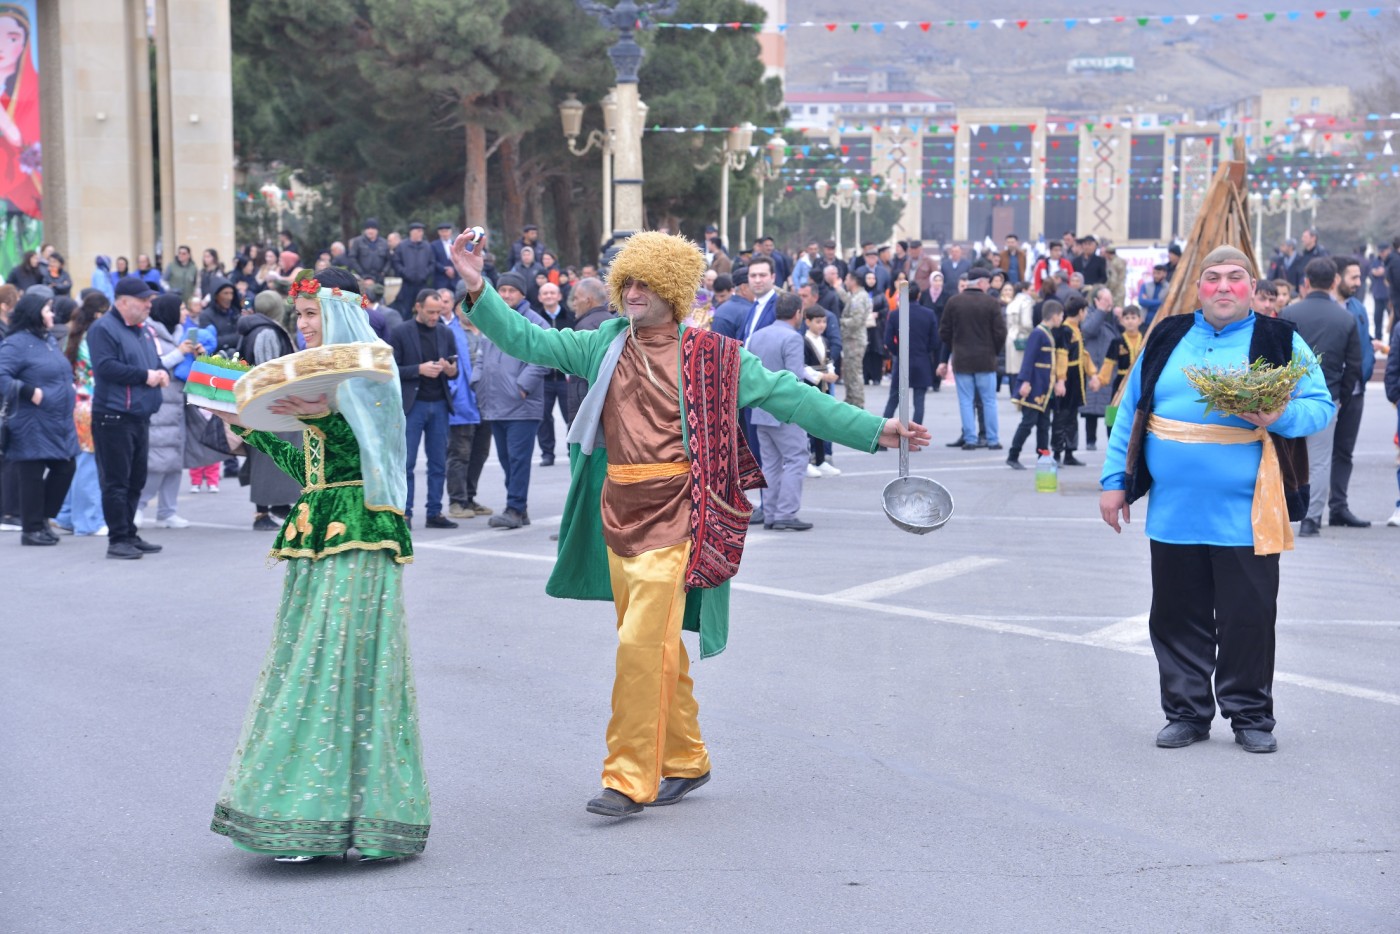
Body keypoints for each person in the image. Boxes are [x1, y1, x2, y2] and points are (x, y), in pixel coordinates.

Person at [448, 227, 929, 817]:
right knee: (658, 646)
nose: (633, 292)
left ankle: (627, 777)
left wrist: (873, 430)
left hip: (678, 516)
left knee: (638, 646)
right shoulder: (602, 344)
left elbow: (791, 396)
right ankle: (686, 758)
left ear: (673, 290)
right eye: (628, 281)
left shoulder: (717, 358)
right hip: (615, 514)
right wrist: (477, 285)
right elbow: (526, 339)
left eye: (647, 283)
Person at [209, 265, 429, 863]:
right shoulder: (326, 380)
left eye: (312, 315)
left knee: (336, 664)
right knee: (313, 662)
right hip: (318, 530)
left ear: (340, 312)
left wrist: (316, 401)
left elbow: (370, 451)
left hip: (358, 530)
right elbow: (313, 469)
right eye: (299, 316)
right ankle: (313, 808)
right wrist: (248, 428)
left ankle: (334, 816)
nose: (303, 326)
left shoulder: (367, 372)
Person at [1099, 245, 1334, 754]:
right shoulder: (1167, 335)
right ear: (1198, 288)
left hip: (1248, 512)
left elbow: (1320, 406)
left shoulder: (1280, 339)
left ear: (1252, 287)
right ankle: (1185, 713)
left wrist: (1279, 417)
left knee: (1248, 618)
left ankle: (1250, 716)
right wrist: (1114, 481)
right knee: (1175, 615)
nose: (1223, 287)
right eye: (1212, 278)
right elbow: (1130, 413)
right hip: (1174, 512)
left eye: (1234, 278)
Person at [1279, 257, 1364, 537]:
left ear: (1306, 281)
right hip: (1328, 395)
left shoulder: (1290, 312)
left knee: (1286, 454)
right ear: (1335, 282)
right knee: (1319, 459)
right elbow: (1354, 364)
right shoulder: (1346, 318)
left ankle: (1282, 509)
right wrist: (1342, 394)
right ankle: (1310, 518)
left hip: (1289, 395)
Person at [87, 278, 168, 560]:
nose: (149, 304)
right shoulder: (103, 328)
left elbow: (153, 361)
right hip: (113, 416)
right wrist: (147, 376)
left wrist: (160, 371)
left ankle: (129, 533)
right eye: (143, 300)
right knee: (116, 482)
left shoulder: (143, 330)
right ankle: (118, 538)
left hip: (138, 415)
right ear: (123, 302)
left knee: (136, 480)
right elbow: (106, 367)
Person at [0, 288, 78, 546]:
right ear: (35, 313)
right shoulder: (16, 343)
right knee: (31, 473)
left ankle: (42, 519)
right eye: (47, 308)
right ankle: (31, 529)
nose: (52, 313)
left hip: (56, 419)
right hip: (30, 420)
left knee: (66, 466)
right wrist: (28, 391)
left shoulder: (47, 340)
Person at [473, 271, 549, 530]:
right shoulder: (494, 321)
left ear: (522, 294)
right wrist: (477, 380)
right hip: (495, 403)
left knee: (518, 459)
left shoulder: (535, 322)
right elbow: (481, 354)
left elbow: (543, 357)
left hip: (521, 405)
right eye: (502, 290)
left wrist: (522, 386)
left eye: (511, 291)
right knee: (506, 459)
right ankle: (519, 508)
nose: (505, 295)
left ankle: (515, 508)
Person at [390, 288, 459, 529]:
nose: (434, 317)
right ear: (417, 307)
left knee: (438, 462)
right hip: (413, 404)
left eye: (439, 312)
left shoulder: (445, 332)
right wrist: (418, 370)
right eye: (430, 312)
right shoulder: (400, 332)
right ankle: (404, 513)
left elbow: (454, 366)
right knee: (406, 462)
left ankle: (435, 512)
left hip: (439, 403)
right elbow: (390, 369)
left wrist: (451, 370)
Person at [138, 294, 199, 529]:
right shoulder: (150, 334)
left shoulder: (181, 334)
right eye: (181, 308)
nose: (185, 313)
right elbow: (153, 364)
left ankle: (168, 511)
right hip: (159, 406)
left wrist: (196, 354)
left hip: (178, 407)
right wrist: (180, 353)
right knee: (156, 462)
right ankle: (139, 506)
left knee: (174, 463)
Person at [1327, 256, 1376, 529]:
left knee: (1344, 452)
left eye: (1360, 277)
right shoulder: (1324, 307)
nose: (1358, 283)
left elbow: (1364, 346)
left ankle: (1339, 507)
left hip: (1355, 391)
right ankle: (1310, 509)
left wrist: (1363, 374)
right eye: (1353, 277)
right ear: (1337, 278)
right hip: (1327, 392)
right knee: (1316, 453)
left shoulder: (1358, 308)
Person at [55, 292, 109, 536]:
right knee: (88, 464)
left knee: (80, 462)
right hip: (90, 406)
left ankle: (66, 514)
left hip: (77, 404)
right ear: (99, 314)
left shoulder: (74, 337)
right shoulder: (93, 339)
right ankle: (87, 521)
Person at [938, 268, 1005, 450]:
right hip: (986, 359)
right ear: (982, 282)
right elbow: (1000, 333)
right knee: (989, 401)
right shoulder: (992, 303)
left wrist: (955, 346)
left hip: (962, 359)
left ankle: (970, 439)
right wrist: (993, 351)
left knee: (966, 401)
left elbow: (944, 331)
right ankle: (992, 439)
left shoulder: (954, 302)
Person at [1005, 300, 1062, 470]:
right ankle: (1013, 455)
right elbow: (1028, 359)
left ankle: (1042, 456)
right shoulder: (1038, 334)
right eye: (1061, 316)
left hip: (1045, 389)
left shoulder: (1047, 333)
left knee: (1044, 424)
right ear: (1054, 316)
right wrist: (1025, 381)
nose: (1062, 319)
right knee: (1028, 422)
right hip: (1035, 386)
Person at [882, 282, 939, 427]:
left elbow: (888, 340)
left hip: (902, 360)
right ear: (919, 295)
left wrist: (898, 352)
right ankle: (914, 436)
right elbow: (935, 340)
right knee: (919, 401)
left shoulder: (895, 315)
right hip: (921, 360)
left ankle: (881, 435)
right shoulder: (928, 314)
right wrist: (925, 351)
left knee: (894, 399)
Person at [1050, 295, 1098, 466]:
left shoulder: (1077, 329)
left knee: (1072, 415)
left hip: (1077, 377)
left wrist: (1092, 374)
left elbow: (1083, 354)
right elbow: (1062, 356)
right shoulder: (1065, 330)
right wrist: (1061, 380)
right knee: (1062, 415)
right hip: (1069, 378)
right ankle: (1056, 452)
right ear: (1080, 311)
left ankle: (1070, 452)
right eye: (1085, 311)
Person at [534, 281, 576, 467]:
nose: (549, 296)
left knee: (571, 416)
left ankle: (571, 450)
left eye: (552, 293)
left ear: (559, 296)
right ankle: (547, 453)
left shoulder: (571, 317)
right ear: (540, 297)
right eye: (545, 293)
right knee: (544, 417)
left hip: (565, 378)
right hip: (543, 378)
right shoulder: (535, 319)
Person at [800, 305, 841, 477]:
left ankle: (821, 459)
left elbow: (828, 360)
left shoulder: (824, 341)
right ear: (807, 321)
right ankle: (806, 460)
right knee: (807, 423)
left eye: (824, 322)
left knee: (820, 422)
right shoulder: (803, 341)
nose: (822, 325)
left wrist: (831, 372)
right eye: (818, 322)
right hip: (810, 386)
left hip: (823, 386)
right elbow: (802, 367)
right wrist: (822, 376)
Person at [1080, 287, 1120, 451]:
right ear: (1096, 300)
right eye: (1104, 299)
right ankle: (1090, 440)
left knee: (1110, 407)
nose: (1108, 303)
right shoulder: (1090, 314)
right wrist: (1100, 311)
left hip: (1109, 367)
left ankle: (1111, 441)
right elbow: (1088, 330)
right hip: (1093, 366)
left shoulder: (1112, 316)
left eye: (1109, 299)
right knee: (1091, 409)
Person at [839, 271, 870, 409]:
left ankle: (857, 404)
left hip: (854, 340)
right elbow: (847, 299)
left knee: (854, 373)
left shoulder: (859, 298)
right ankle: (851, 401)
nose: (845, 281)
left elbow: (856, 320)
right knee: (849, 372)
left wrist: (841, 321)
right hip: (851, 340)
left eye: (847, 279)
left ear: (854, 281)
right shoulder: (856, 296)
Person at [392, 222, 435, 318]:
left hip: (422, 284)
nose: (421, 233)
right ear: (412, 232)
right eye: (418, 231)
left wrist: (425, 273)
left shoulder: (427, 246)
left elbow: (432, 263)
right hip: (407, 284)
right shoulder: (402, 246)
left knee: (423, 308)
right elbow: (396, 262)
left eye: (422, 231)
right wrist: (404, 272)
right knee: (406, 311)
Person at [348, 217, 392, 283]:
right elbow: (352, 258)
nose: (370, 231)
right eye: (368, 228)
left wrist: (383, 272)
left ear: (377, 230)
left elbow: (389, 260)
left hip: (379, 279)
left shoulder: (384, 243)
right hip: (362, 279)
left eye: (373, 228)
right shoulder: (358, 241)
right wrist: (362, 275)